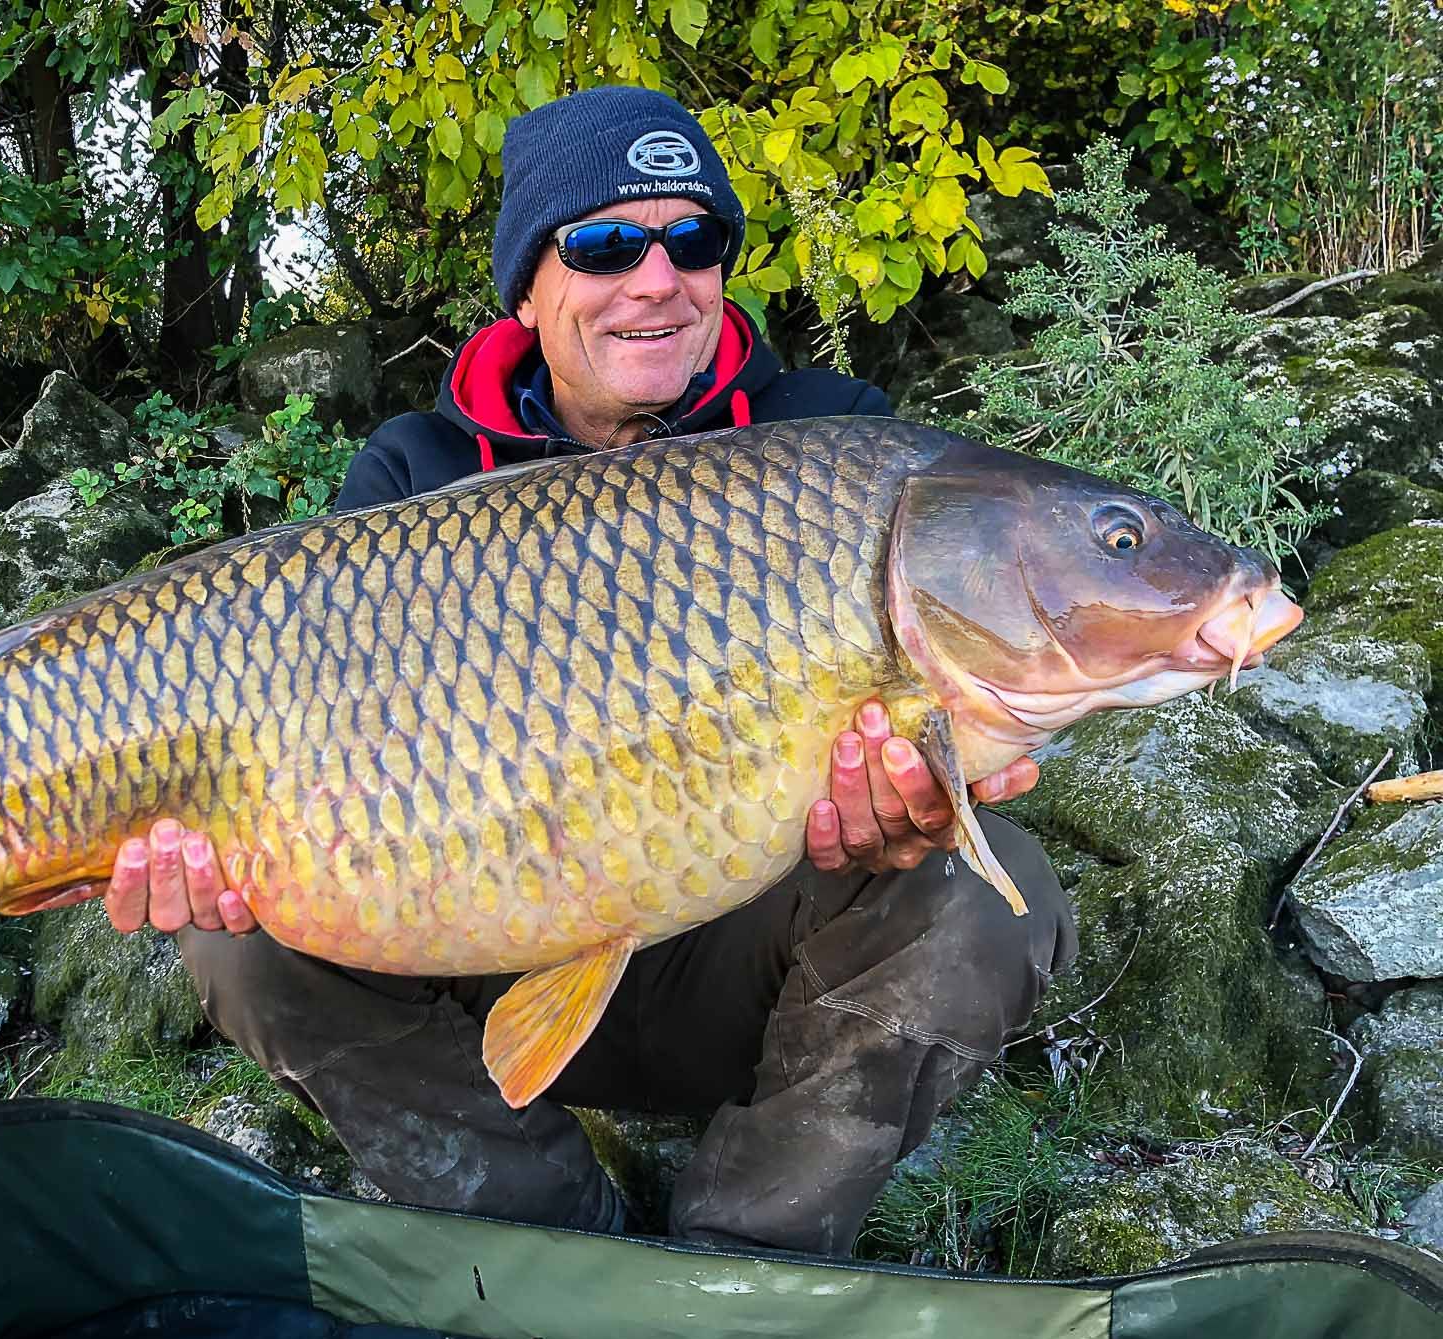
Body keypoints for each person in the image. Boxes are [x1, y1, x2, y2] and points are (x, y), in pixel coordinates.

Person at [101, 86, 1076, 1254]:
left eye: (693, 240)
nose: (655, 279)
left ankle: (749, 1254)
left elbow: (933, 744)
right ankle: (547, 1239)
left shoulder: (832, 443)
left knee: (990, 889)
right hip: (474, 946)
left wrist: (912, 815)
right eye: (607, 245)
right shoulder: (413, 474)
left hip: (743, 959)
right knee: (239, 934)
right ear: (529, 287)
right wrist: (208, 847)